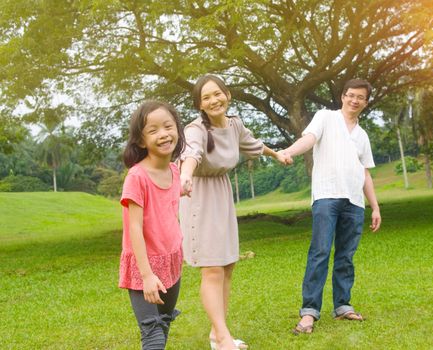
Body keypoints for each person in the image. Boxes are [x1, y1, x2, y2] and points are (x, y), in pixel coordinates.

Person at [179, 74, 288, 350]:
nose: (214, 100)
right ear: (200, 105)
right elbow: (191, 153)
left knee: (227, 265)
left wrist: (276, 154)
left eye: (217, 94)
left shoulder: (234, 124)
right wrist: (186, 176)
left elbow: (253, 144)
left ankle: (219, 335)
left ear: (227, 94)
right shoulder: (196, 129)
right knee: (212, 268)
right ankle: (223, 338)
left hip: (222, 196)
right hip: (199, 197)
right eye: (206, 97)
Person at [280, 79, 382, 335]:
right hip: (326, 197)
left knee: (346, 256)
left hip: (354, 203)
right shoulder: (325, 117)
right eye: (350, 95)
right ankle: (309, 313)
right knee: (320, 252)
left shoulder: (362, 135)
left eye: (360, 97)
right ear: (343, 97)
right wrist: (289, 151)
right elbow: (310, 139)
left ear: (365, 102)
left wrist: (375, 207)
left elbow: (366, 174)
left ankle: (342, 306)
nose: (354, 100)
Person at [119, 100, 186, 349]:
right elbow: (133, 228)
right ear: (140, 140)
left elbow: (166, 207)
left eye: (168, 126)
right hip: (144, 265)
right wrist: (147, 276)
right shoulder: (137, 177)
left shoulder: (173, 170)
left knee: (164, 323)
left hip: (171, 259)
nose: (163, 134)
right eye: (153, 130)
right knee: (152, 332)